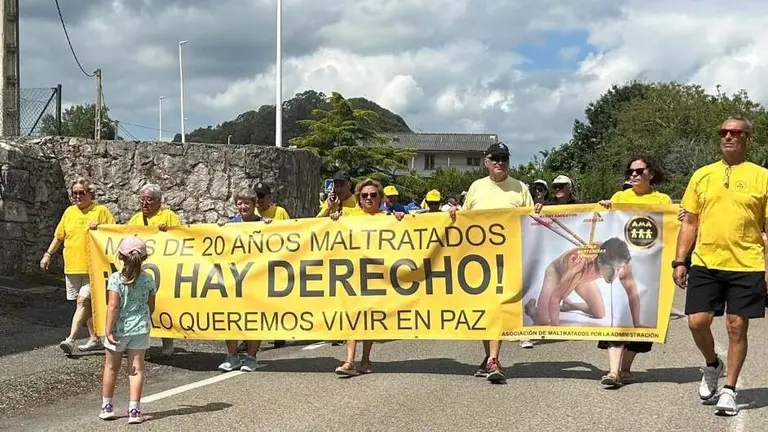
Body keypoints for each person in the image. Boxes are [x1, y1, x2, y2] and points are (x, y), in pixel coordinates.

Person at [673, 116, 768, 416]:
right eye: (724, 132)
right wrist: (680, 260)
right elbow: (690, 222)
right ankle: (713, 364)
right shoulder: (702, 175)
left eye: (735, 132)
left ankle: (729, 389)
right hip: (706, 261)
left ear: (748, 139)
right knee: (696, 322)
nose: (728, 137)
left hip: (747, 262)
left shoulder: (762, 176)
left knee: (736, 326)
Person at [450, 141, 534, 383]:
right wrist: (454, 216)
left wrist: (539, 210)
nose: (500, 162)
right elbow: (464, 222)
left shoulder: (520, 188)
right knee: (487, 310)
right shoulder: (476, 188)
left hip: (509, 260)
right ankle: (490, 358)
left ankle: (493, 359)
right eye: (495, 158)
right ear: (486, 162)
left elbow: (533, 222)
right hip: (480, 262)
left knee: (498, 308)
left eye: (504, 158)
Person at [595, 156, 672, 388]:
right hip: (623, 259)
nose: (634, 175)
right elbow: (609, 223)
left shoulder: (663, 200)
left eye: (639, 171)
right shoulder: (620, 197)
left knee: (640, 321)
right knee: (616, 316)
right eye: (631, 172)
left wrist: (678, 217)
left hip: (648, 264)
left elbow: (669, 228)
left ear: (651, 173)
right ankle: (613, 371)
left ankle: (625, 368)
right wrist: (605, 207)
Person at [330, 178, 405, 376]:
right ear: (359, 199)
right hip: (354, 275)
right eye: (364, 196)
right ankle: (349, 360)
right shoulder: (349, 216)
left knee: (370, 317)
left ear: (380, 198)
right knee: (354, 315)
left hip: (377, 276)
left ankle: (365, 359)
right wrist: (333, 216)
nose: (369, 198)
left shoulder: (388, 217)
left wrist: (399, 217)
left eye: (373, 195)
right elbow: (327, 224)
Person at [41, 177, 115, 356]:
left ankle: (70, 339)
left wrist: (100, 227)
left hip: (93, 268)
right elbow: (59, 236)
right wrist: (48, 254)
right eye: (74, 193)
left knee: (82, 301)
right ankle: (96, 339)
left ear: (91, 193)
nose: (77, 196)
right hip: (72, 266)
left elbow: (114, 233)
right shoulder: (69, 212)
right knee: (84, 304)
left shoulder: (101, 211)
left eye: (81, 192)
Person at [99, 236, 156, 424]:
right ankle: (134, 410)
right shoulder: (148, 279)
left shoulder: (116, 279)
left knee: (111, 367)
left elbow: (113, 306)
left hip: (119, 329)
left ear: (121, 257)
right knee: (137, 370)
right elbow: (151, 305)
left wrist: (108, 329)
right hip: (140, 329)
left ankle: (107, 406)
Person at [523, 237, 639, 329]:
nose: (616, 274)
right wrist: (556, 329)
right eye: (612, 269)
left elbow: (632, 292)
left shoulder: (620, 259)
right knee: (542, 320)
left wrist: (637, 324)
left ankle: (570, 306)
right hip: (558, 272)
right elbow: (556, 297)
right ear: (599, 262)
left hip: (584, 277)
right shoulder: (578, 268)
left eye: (620, 269)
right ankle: (532, 308)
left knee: (599, 313)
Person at [217, 187, 273, 372]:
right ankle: (232, 356)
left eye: (247, 203)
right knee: (229, 317)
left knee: (254, 318)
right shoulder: (230, 224)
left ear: (254, 205)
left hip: (255, 279)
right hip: (233, 278)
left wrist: (271, 227)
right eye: (240, 203)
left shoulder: (263, 223)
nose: (243, 206)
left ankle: (251, 357)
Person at [126, 183, 181, 358]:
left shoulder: (169, 216)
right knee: (142, 308)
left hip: (164, 270)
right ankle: (143, 346)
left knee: (164, 305)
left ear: (158, 201)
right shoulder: (135, 219)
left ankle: (168, 340)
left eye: (149, 199)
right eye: (142, 199)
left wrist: (168, 231)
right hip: (142, 272)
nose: (144, 203)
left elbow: (181, 236)